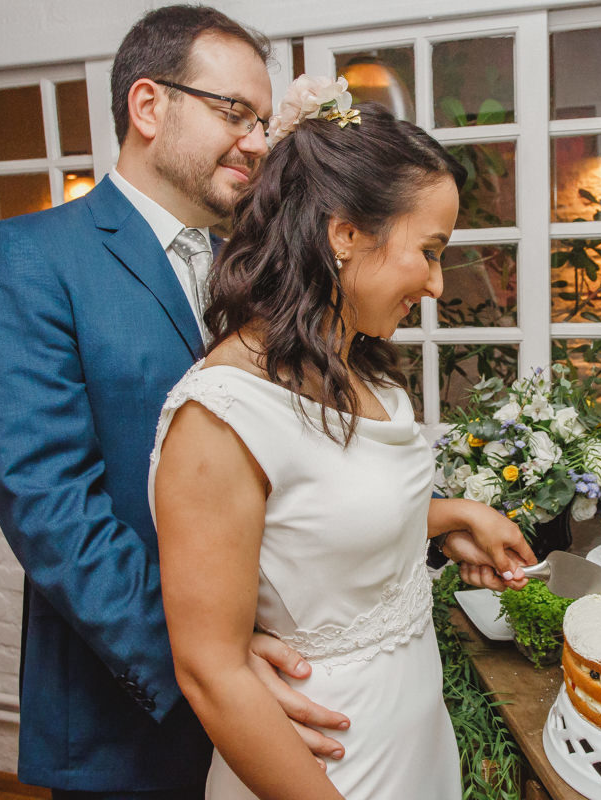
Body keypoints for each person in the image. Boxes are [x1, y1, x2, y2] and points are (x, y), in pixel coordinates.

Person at [0, 7, 348, 797]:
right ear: (147, 107)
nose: (256, 141)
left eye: (263, 121)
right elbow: (52, 508)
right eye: (233, 112)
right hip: (131, 706)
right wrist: (213, 662)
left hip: (281, 679)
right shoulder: (25, 259)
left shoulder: (248, 266)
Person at [149, 83, 537, 799]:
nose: (437, 283)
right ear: (345, 234)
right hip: (323, 763)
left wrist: (454, 518)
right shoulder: (220, 416)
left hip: (412, 733)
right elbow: (210, 671)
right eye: (428, 250)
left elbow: (318, 534)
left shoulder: (364, 371)